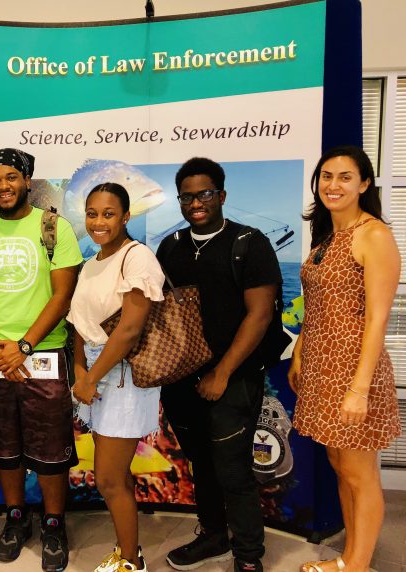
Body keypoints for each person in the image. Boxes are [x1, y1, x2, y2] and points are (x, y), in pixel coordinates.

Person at [0, 148, 82, 572]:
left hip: (42, 354)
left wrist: (23, 347)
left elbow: (63, 296)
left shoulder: (53, 228)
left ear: (28, 181)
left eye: (12, 177)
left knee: (49, 448)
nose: (3, 186)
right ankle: (15, 516)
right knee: (3, 444)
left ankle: (53, 521)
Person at [156, 157, 282, 572]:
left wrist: (222, 372)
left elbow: (260, 315)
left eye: (205, 194)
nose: (196, 202)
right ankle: (213, 536)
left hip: (233, 378)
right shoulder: (170, 247)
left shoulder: (249, 242)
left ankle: (248, 558)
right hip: (181, 382)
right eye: (188, 196)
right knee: (201, 466)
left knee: (233, 472)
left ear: (222, 196)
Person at [290, 146, 401, 572]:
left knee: (360, 473)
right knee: (340, 465)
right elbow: (315, 305)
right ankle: (350, 557)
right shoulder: (328, 235)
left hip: (355, 368)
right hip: (321, 364)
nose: (333, 185)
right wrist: (300, 353)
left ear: (364, 184)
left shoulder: (374, 235)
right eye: (326, 176)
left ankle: (356, 566)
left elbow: (377, 320)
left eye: (344, 177)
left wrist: (359, 388)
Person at [69, 183, 165, 572]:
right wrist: (78, 368)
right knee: (114, 475)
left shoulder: (137, 258)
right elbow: (79, 323)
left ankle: (130, 560)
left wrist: (90, 376)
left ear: (126, 217)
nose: (98, 221)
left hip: (121, 374)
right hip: (92, 368)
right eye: (92, 213)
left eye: (108, 214)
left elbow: (129, 329)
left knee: (109, 478)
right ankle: (127, 552)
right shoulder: (91, 263)